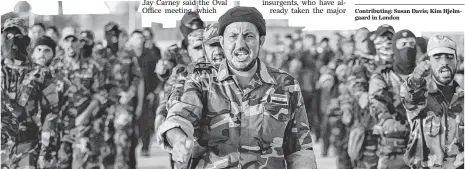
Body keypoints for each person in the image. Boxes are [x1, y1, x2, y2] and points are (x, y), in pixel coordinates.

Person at [156, 7, 317, 169]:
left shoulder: (286, 85)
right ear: (222, 41)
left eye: (249, 36)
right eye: (233, 36)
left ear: (261, 41)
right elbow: (179, 118)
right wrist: (178, 140)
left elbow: (300, 150)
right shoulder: (201, 80)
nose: (240, 44)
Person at [401, 35, 464, 169]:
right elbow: (409, 97)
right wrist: (417, 77)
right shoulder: (421, 97)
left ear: (457, 61)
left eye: (449, 57)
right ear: (428, 61)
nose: (444, 62)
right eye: (437, 57)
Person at [48, 26, 107, 169]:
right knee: (62, 163)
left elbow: (100, 95)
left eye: (74, 40)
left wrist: (85, 116)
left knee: (82, 163)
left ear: (80, 43)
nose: (70, 44)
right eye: (66, 40)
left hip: (84, 125)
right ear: (61, 44)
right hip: (60, 126)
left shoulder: (92, 67)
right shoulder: (54, 67)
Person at [1, 18, 54, 169]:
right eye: (7, 36)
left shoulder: (41, 73)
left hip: (28, 147)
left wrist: (45, 150)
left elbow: (50, 114)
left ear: (27, 40)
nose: (12, 41)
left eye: (17, 37)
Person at [369, 28, 414, 169]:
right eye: (403, 44)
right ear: (394, 48)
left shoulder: (426, 74)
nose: (407, 48)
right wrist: (386, 119)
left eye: (411, 44)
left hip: (423, 144)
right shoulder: (382, 75)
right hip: (394, 146)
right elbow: (376, 101)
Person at [138, 27, 162, 157]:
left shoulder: (154, 52)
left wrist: (154, 92)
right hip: (138, 93)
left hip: (150, 92)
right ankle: (142, 143)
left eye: (147, 37)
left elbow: (158, 74)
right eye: (143, 37)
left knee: (149, 120)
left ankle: (146, 146)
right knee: (141, 121)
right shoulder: (136, 53)